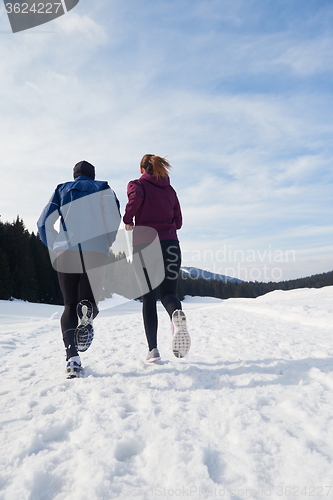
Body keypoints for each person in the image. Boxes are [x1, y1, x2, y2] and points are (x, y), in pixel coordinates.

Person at [37, 160, 120, 378]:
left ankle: (72, 358)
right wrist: (107, 241)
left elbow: (44, 222)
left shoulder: (61, 189)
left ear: (74, 175)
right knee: (88, 302)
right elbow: (113, 218)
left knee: (69, 304)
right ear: (92, 175)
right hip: (95, 252)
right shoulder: (104, 188)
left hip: (66, 251)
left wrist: (55, 244)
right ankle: (88, 311)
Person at [123, 154, 190, 362]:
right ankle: (176, 317)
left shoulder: (137, 185)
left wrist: (127, 218)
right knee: (169, 293)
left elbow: (134, 201)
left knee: (149, 297)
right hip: (171, 245)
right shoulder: (170, 190)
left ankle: (153, 351)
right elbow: (178, 222)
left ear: (142, 169)